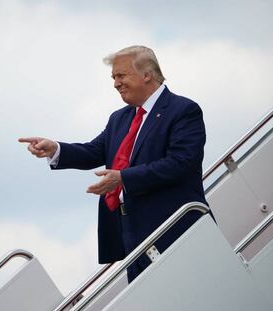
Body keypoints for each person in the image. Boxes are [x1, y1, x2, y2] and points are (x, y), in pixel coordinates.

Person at [19, 46, 208, 283]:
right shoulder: (120, 117)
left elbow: (180, 163)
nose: (116, 84)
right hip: (129, 231)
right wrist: (56, 148)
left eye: (121, 76)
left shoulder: (183, 110)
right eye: (114, 78)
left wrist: (123, 178)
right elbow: (94, 151)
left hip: (173, 229)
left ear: (146, 74)